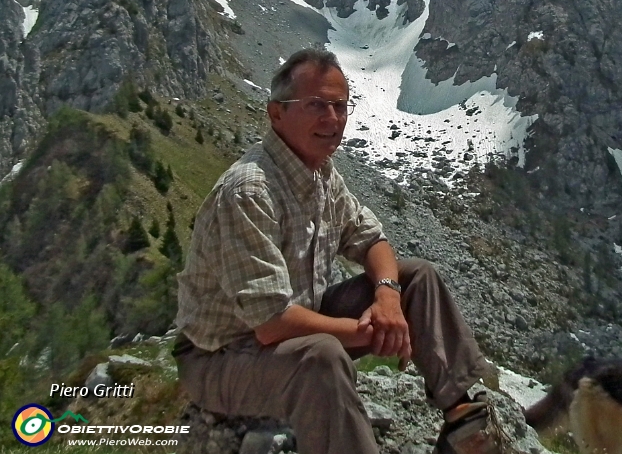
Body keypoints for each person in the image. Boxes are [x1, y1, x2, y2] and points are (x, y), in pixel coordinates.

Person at [173, 49, 495, 454]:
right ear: (276, 114)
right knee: (322, 356)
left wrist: (388, 298)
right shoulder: (249, 192)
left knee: (416, 276)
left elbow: (370, 238)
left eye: (340, 106)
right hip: (222, 356)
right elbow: (272, 323)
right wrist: (375, 330)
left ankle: (461, 417)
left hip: (293, 330)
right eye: (316, 106)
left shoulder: (319, 171)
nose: (333, 119)